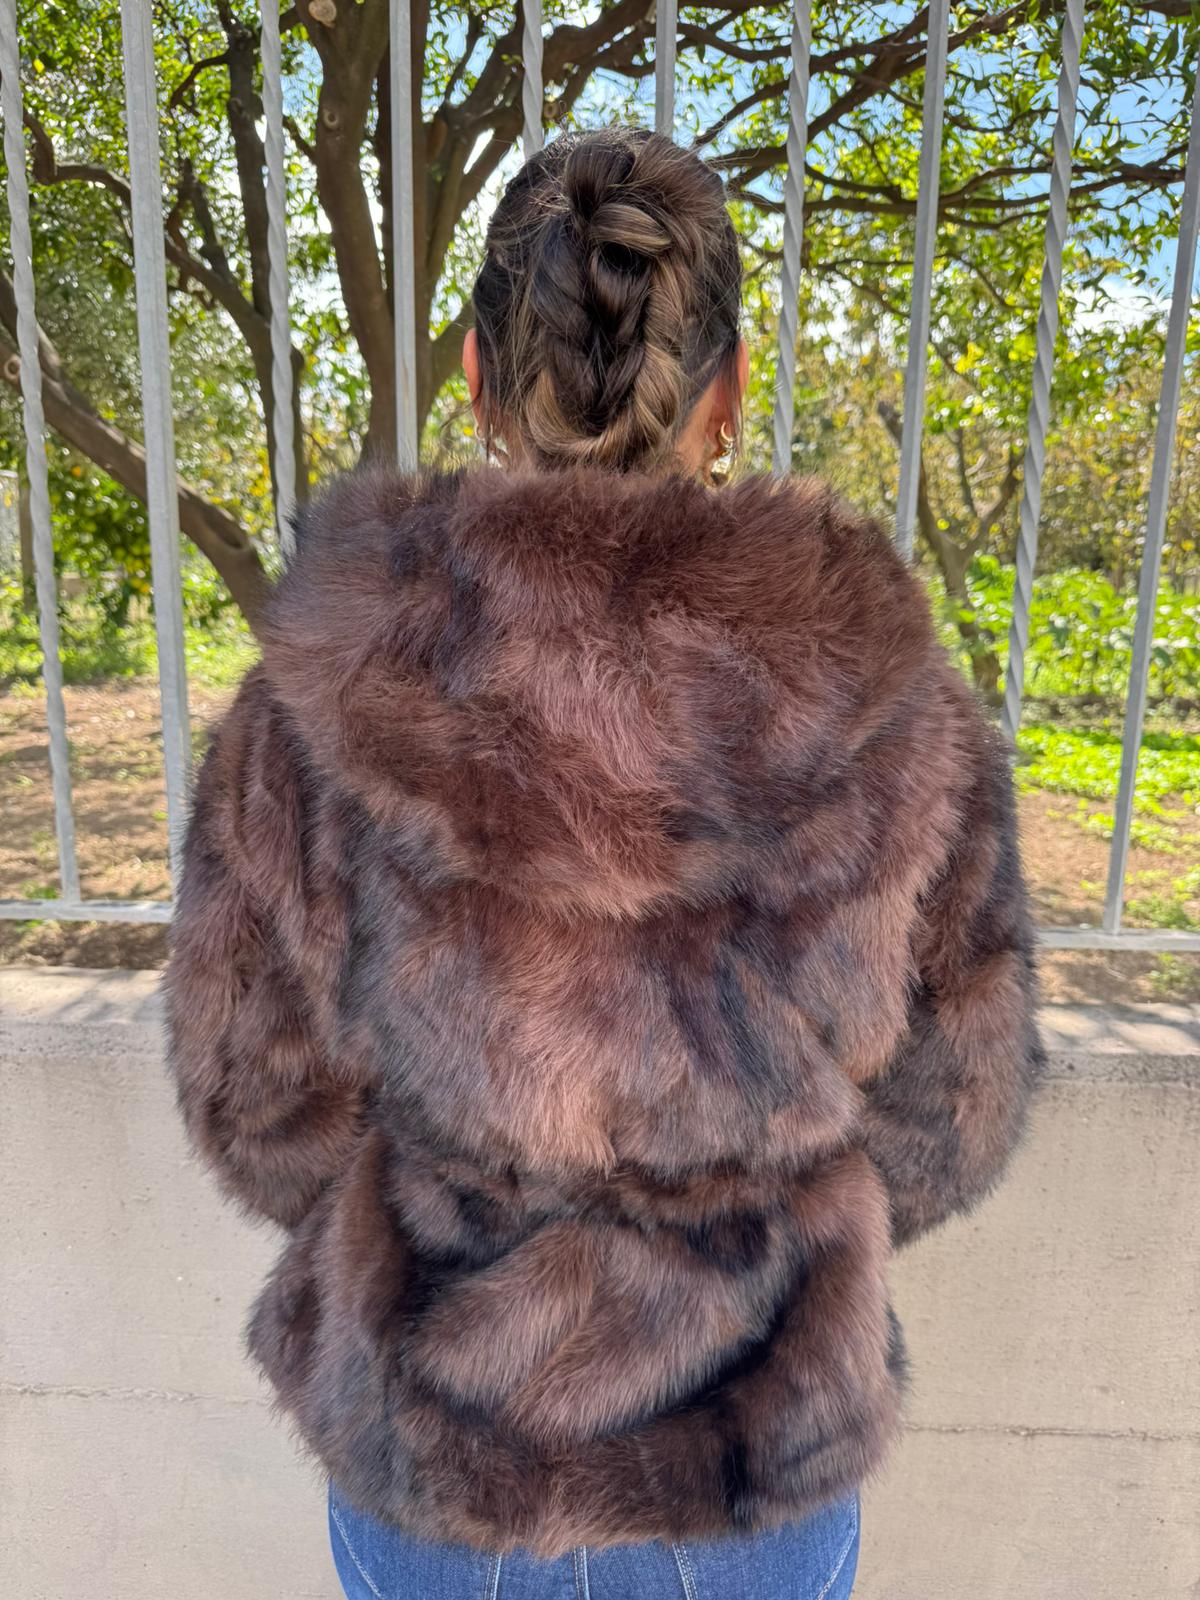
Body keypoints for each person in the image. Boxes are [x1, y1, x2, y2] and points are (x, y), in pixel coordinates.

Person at [165, 128, 1042, 1600]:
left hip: (434, 1458)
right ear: (729, 392)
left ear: (474, 375)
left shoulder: (323, 691)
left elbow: (252, 1101)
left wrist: (446, 1218)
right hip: (745, 1458)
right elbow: (953, 1113)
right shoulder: (884, 706)